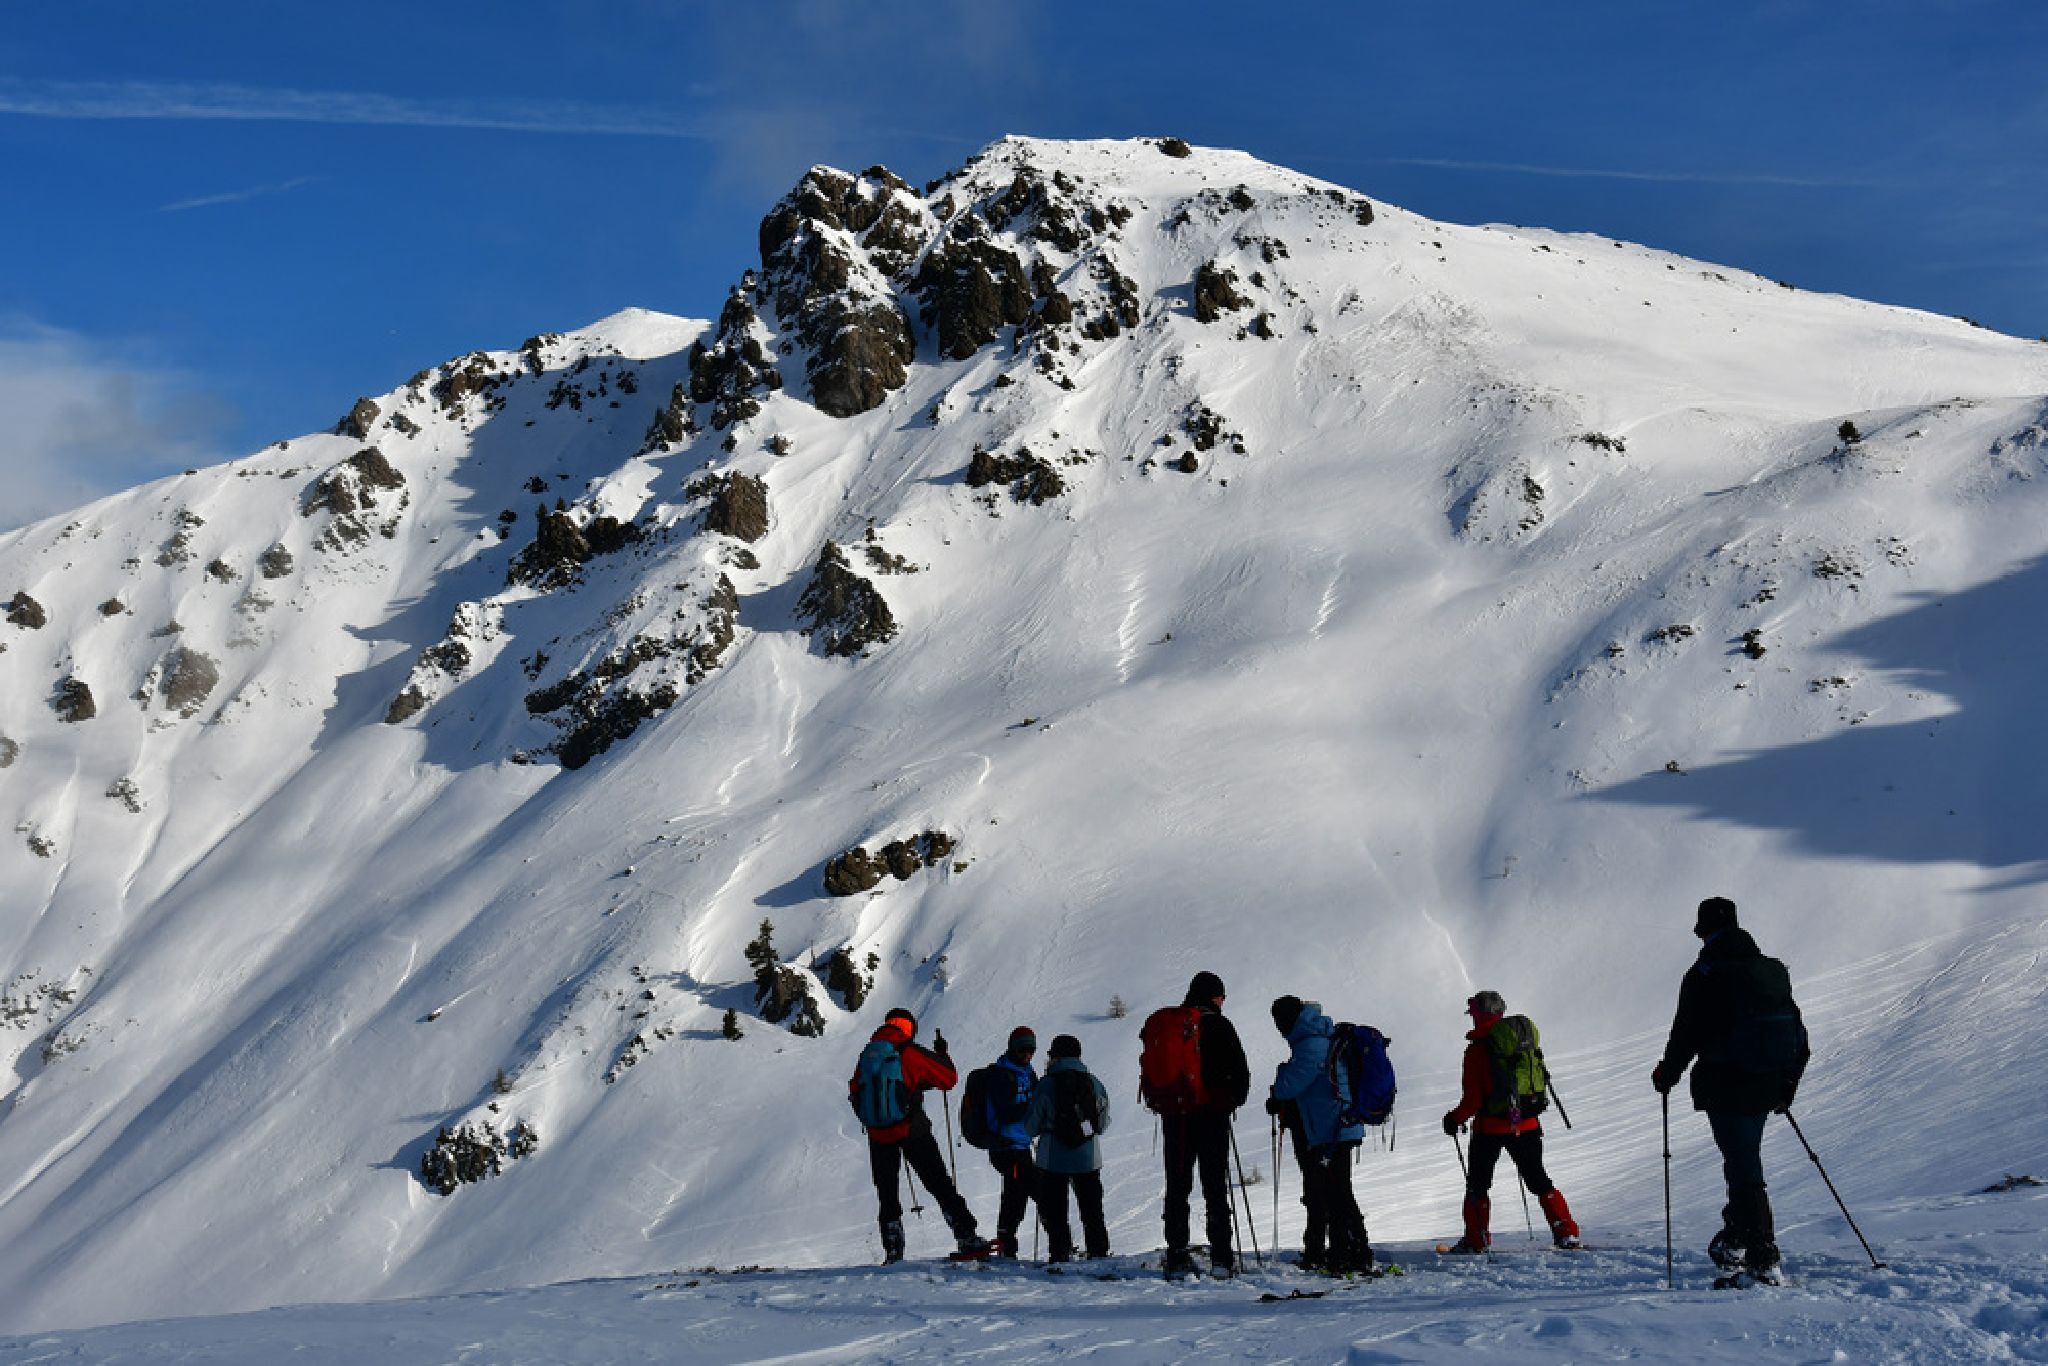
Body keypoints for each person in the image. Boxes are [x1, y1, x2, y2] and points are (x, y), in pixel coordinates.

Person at [1652, 896, 1810, 1284]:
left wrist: (1667, 1074)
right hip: (1768, 1083)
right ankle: (1735, 1238)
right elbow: (1797, 1029)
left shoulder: (1704, 974)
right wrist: (1788, 1081)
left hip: (1726, 1084)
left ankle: (1762, 1255)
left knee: (1744, 1170)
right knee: (1744, 1160)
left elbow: (1686, 1033)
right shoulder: (1769, 970)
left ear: (1704, 931)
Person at [1441, 989, 1581, 1253]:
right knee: (1539, 1180)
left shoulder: (1477, 1050)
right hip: (1527, 1123)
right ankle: (1566, 1232)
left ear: (1479, 1015)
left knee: (1478, 1186)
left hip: (1489, 1129)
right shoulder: (1521, 1041)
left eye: (1473, 1014)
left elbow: (1473, 1100)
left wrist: (1453, 1119)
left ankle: (1476, 1240)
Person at [849, 1007, 991, 1263]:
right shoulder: (908, 1051)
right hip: (912, 1129)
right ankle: (966, 1236)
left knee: (887, 1192)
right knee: (938, 1182)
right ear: (909, 1029)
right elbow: (948, 1078)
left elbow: (854, 1088)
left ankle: (893, 1249)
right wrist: (942, 1054)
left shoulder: (868, 1055)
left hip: (878, 1135)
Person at [1144, 970, 1251, 1278]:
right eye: (1221, 996)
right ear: (1214, 997)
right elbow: (1240, 1073)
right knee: (1214, 1187)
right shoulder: (1219, 1025)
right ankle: (1221, 1258)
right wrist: (1230, 1101)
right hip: (1212, 1117)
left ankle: (1177, 1255)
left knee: (1177, 1185)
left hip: (1175, 1117)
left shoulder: (1173, 1025)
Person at [1268, 996, 1374, 1274]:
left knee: (1338, 1192)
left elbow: (1287, 1086)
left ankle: (1355, 1252)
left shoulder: (1310, 1044)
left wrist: (1281, 1075)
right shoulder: (1317, 1037)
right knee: (1337, 1190)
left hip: (1332, 1128)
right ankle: (1346, 1251)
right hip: (1337, 1125)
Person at [1025, 1033, 1112, 1262]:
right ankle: (1099, 1255)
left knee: (1056, 1213)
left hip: (1052, 1159)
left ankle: (1060, 1255)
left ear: (1055, 1056)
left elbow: (1030, 1127)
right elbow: (1102, 1125)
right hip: (1088, 1158)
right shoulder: (1094, 1083)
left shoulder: (1046, 1085)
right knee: (1092, 1211)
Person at [985, 1026, 1040, 1257]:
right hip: (1006, 1146)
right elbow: (1005, 1113)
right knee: (1022, 1193)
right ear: (1012, 1049)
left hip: (1021, 1144)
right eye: (1022, 1050)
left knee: (1017, 1193)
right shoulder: (1001, 1075)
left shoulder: (1028, 1072)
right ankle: (1007, 1244)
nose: (1027, 1055)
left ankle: (1006, 1244)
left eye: (1031, 1051)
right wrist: (1032, 1106)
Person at [1265, 1095, 1325, 1269]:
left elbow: (1293, 1086)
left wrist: (1280, 1094)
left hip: (1308, 1123)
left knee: (1315, 1188)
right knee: (1317, 1187)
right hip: (1309, 1121)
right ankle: (1319, 1247)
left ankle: (1317, 1250)